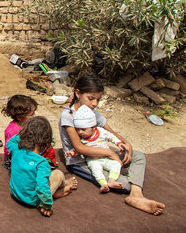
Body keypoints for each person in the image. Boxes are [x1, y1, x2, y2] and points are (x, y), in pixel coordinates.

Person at [59, 73, 165, 215]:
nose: (95, 103)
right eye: (91, 98)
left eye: (98, 99)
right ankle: (134, 193)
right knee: (125, 183)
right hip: (82, 161)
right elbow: (79, 148)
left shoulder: (93, 113)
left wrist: (126, 144)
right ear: (78, 93)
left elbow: (112, 133)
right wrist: (109, 153)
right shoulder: (68, 116)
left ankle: (136, 195)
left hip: (101, 154)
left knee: (138, 155)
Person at [7, 116, 77, 217]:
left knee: (38, 179)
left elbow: (11, 142)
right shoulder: (41, 163)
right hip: (32, 200)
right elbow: (41, 187)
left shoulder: (16, 149)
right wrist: (47, 205)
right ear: (47, 142)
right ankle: (59, 190)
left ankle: (55, 192)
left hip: (15, 193)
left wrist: (24, 134)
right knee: (58, 174)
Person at [66, 105, 125, 193]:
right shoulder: (82, 139)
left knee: (116, 164)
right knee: (96, 169)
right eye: (78, 129)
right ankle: (103, 184)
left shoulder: (101, 132)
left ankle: (111, 181)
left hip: (106, 158)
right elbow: (78, 149)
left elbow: (111, 137)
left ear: (94, 127)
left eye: (83, 129)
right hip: (93, 160)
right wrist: (71, 153)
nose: (80, 132)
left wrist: (119, 144)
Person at [1, 95, 56, 170]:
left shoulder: (29, 125)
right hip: (17, 157)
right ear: (20, 117)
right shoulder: (12, 131)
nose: (35, 116)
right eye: (32, 114)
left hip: (28, 153)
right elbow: (9, 150)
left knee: (49, 149)